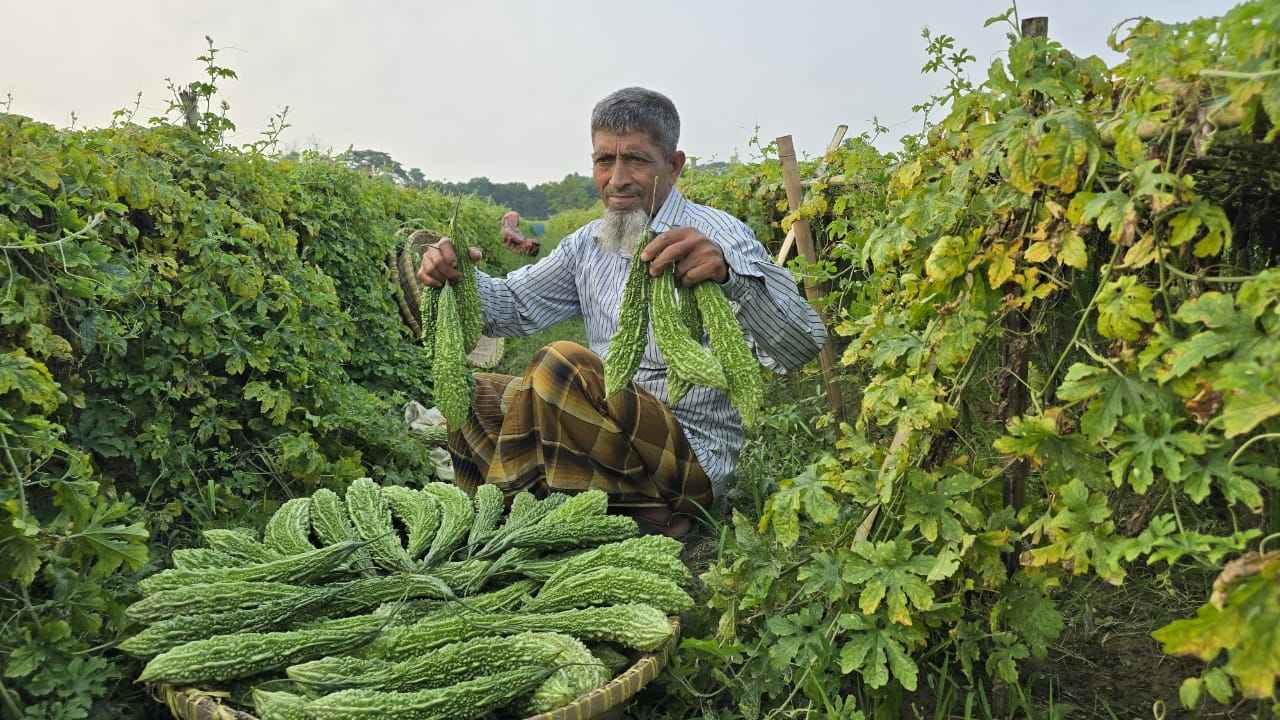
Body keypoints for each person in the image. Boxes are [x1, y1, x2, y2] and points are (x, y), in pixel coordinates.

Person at [416, 87, 825, 538]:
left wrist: (731, 278)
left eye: (635, 159)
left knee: (562, 365)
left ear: (674, 165)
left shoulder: (718, 236)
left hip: (689, 451)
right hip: (606, 428)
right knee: (472, 393)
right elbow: (512, 305)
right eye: (604, 161)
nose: (617, 179)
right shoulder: (588, 244)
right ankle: (616, 517)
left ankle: (512, 525)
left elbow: (802, 344)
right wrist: (457, 277)